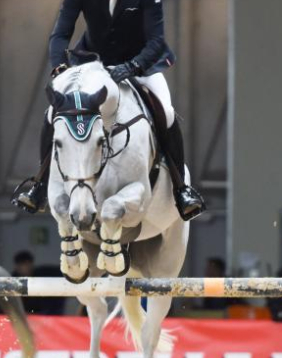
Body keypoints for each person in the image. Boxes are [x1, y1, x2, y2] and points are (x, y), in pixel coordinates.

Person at [12, 0, 205, 221]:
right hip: (91, 64)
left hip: (140, 64)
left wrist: (132, 66)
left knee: (167, 112)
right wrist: (60, 66)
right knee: (52, 113)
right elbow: (60, 34)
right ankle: (40, 185)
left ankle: (181, 189)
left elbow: (156, 41)